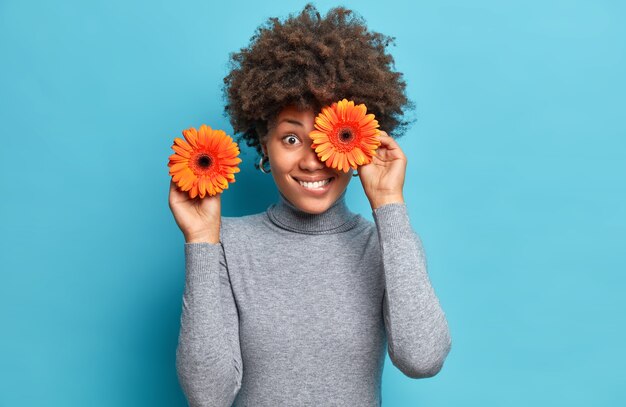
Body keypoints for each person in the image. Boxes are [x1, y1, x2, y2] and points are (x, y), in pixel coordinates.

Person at [168, 4, 451, 406]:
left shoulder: (386, 243)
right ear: (263, 142)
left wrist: (388, 201)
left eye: (327, 138)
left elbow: (422, 358)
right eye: (291, 138)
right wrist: (200, 240)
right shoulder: (225, 244)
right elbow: (207, 394)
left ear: (359, 143)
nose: (311, 160)